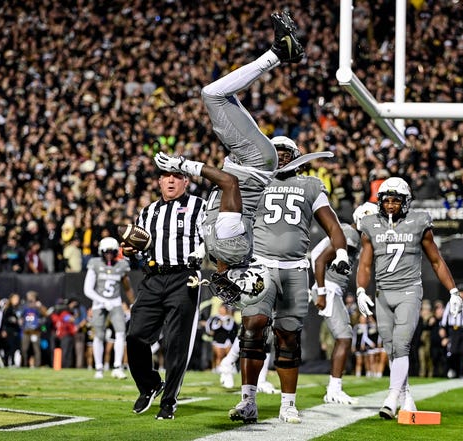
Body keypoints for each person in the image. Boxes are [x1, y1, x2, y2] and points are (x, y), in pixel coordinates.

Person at [153, 10, 311, 301]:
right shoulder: (229, 247)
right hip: (251, 163)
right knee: (213, 95)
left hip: (250, 163)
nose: (222, 285)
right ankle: (278, 52)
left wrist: (199, 250)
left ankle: (280, 52)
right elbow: (228, 184)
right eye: (229, 286)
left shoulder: (224, 250)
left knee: (224, 97)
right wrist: (183, 165)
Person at [227, 134, 349, 424]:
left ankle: (288, 405)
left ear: (297, 156)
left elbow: (332, 223)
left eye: (285, 151)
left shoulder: (310, 185)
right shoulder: (255, 181)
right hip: (260, 266)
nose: (280, 156)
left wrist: (341, 252)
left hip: (295, 268)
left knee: (288, 337)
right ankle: (248, 401)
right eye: (275, 151)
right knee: (253, 327)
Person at [355, 177, 463, 419]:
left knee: (402, 344)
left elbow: (436, 260)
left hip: (408, 291)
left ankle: (392, 397)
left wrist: (453, 291)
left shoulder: (419, 222)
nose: (391, 205)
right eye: (387, 200)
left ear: (405, 202)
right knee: (391, 348)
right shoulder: (370, 224)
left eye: (396, 200)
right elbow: (364, 264)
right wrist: (361, 290)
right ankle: (407, 398)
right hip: (383, 293)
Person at [124, 168, 206, 420]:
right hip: (153, 277)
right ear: (159, 181)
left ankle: (169, 401)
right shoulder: (148, 212)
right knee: (135, 335)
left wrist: (202, 252)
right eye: (166, 176)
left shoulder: (199, 205)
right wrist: (130, 251)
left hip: (184, 276)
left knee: (176, 342)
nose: (171, 180)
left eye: (177, 176)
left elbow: (212, 238)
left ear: (186, 180)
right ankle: (149, 384)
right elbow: (141, 249)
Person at [309, 202, 379, 405]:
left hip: (332, 289)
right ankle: (334, 390)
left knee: (344, 337)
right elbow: (320, 260)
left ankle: (334, 388)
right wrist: (321, 291)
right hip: (328, 289)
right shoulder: (350, 234)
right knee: (345, 337)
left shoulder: (355, 236)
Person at [84, 236, 134, 379]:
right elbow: (88, 289)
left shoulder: (122, 265)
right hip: (99, 303)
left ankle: (117, 367)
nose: (109, 255)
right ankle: (99, 368)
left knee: (120, 333)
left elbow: (127, 287)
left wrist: (132, 303)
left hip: (116, 302)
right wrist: (103, 301)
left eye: (112, 252)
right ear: (101, 251)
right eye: (106, 252)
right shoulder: (95, 264)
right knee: (98, 335)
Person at [440, 283, 463, 379]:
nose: (461, 293)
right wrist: (443, 329)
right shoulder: (451, 303)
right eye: (460, 291)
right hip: (454, 330)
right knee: (453, 351)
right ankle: (452, 369)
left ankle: (462, 373)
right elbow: (445, 317)